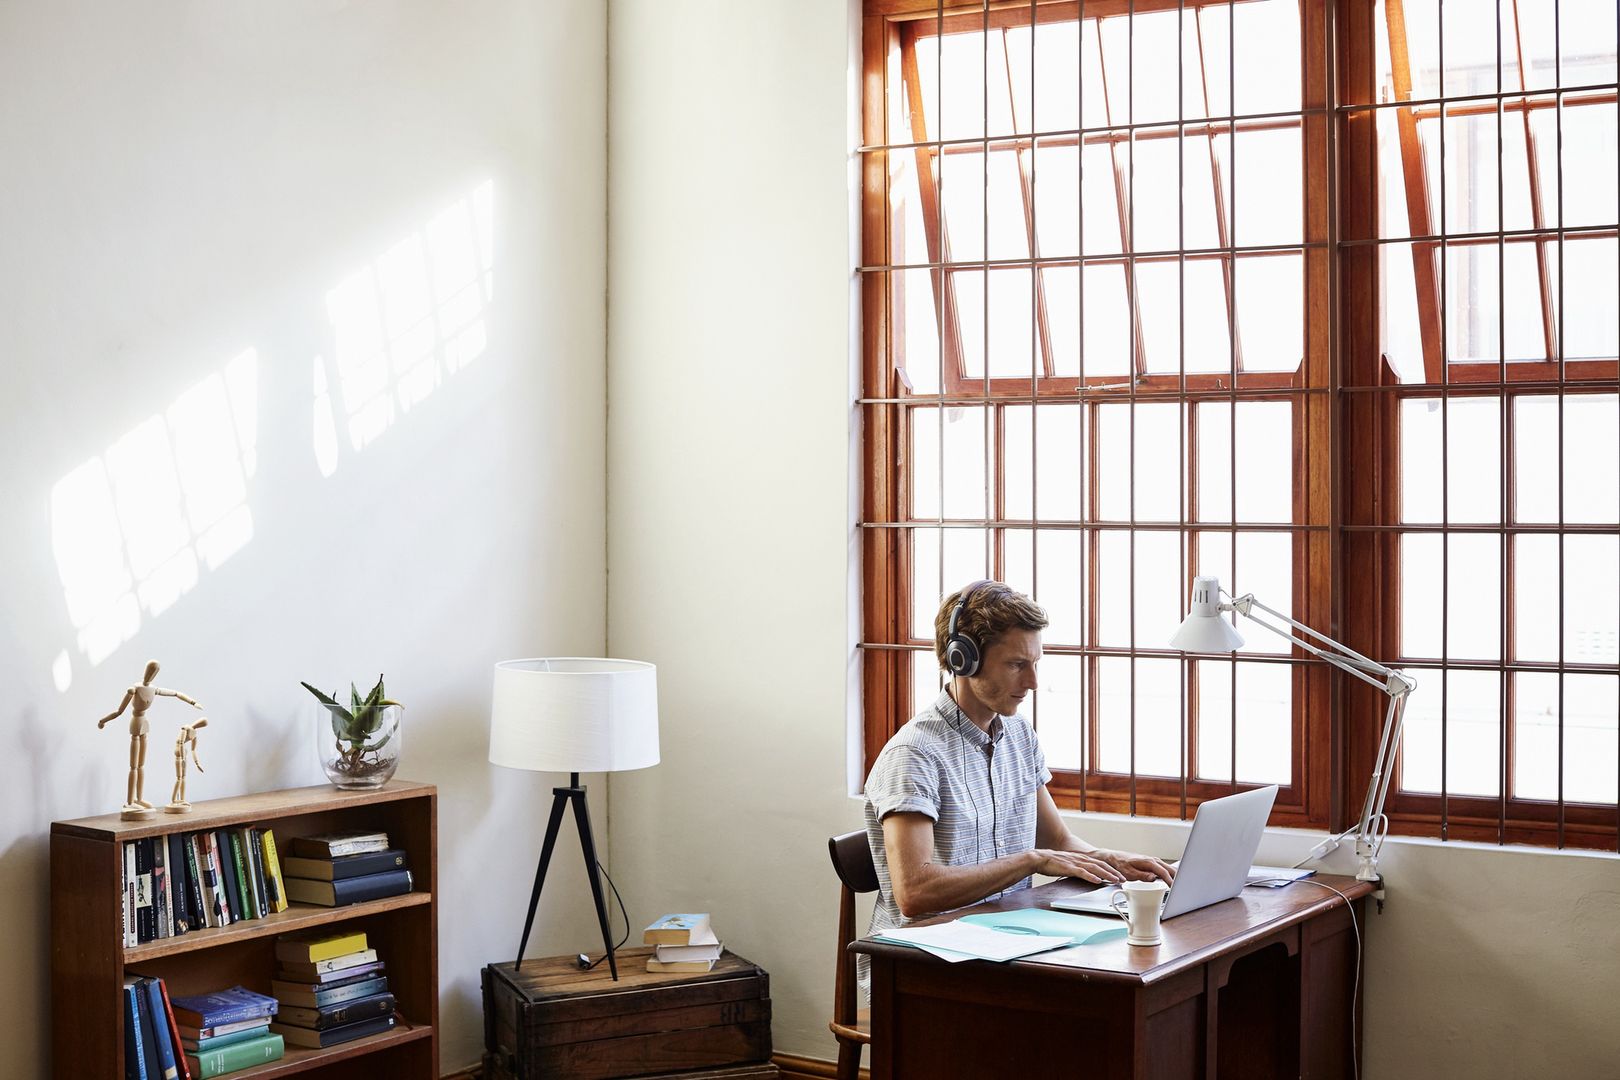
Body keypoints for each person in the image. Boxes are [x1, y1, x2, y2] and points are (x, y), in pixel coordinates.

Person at [864, 581, 1174, 941]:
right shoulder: (914, 755)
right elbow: (915, 892)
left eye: (1035, 663)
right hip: (927, 960)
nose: (1033, 682)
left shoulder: (1018, 733)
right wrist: (1030, 861)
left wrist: (1113, 862)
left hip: (1006, 938)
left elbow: (1055, 839)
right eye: (1016, 665)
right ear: (962, 660)